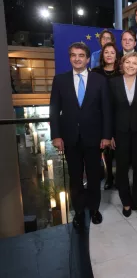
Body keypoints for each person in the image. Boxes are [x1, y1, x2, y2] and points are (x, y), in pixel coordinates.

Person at [50, 42, 112, 230]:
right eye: (73, 55)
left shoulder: (99, 80)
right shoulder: (60, 80)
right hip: (70, 138)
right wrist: (56, 135)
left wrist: (106, 135)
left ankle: (94, 209)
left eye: (81, 55)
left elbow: (107, 111)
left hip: (94, 138)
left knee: (94, 176)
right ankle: (78, 211)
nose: (77, 59)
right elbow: (54, 110)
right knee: (75, 177)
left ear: (87, 59)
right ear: (70, 58)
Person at [109, 52, 137, 218]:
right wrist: (110, 134)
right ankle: (126, 202)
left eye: (135, 63)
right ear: (122, 64)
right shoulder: (112, 83)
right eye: (128, 62)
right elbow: (109, 110)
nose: (131, 65)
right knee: (121, 170)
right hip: (119, 133)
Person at [91, 42, 120, 190]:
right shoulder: (95, 72)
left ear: (116, 56)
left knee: (118, 148)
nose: (109, 55)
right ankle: (109, 176)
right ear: (102, 55)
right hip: (100, 113)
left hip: (118, 112)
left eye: (112, 52)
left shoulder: (122, 71)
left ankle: (119, 177)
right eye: (106, 52)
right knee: (105, 149)